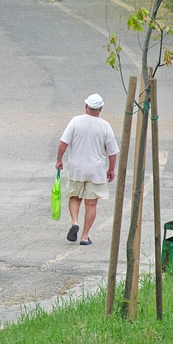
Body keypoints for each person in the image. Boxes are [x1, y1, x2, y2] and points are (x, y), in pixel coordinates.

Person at [55, 94, 119, 246]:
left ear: (86, 106)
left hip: (76, 167)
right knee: (91, 204)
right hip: (95, 170)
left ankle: (74, 222)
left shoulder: (76, 121)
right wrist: (111, 169)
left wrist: (59, 159)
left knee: (75, 197)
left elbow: (63, 142)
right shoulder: (105, 126)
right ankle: (84, 237)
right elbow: (112, 152)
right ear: (100, 109)